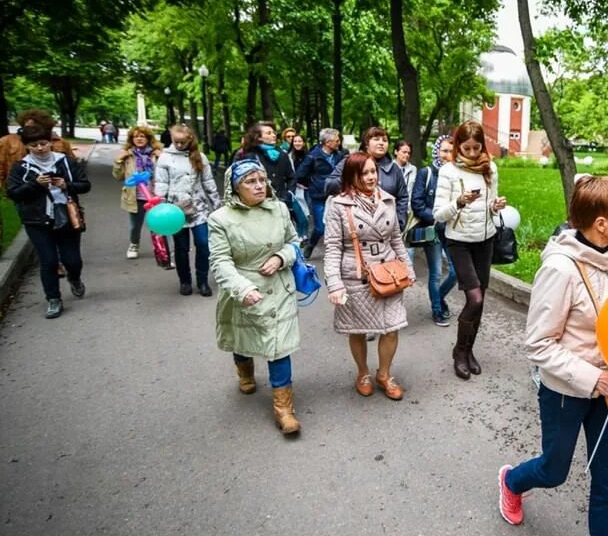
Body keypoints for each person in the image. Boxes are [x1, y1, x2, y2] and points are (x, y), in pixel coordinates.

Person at [497, 175, 608, 536]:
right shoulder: (559, 269)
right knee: (555, 471)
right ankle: (511, 481)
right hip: (564, 392)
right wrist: (594, 377)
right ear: (600, 223)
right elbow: (537, 344)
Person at [208, 159, 303, 435]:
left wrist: (280, 257)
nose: (259, 186)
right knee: (243, 338)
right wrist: (242, 288)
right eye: (250, 182)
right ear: (236, 188)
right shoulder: (220, 219)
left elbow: (294, 242)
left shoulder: (280, 209)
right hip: (244, 288)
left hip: (279, 286)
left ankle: (284, 409)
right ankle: (245, 371)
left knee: (279, 345)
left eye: (262, 180)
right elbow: (221, 260)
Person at [323, 152, 415, 401]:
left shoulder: (388, 200)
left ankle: (384, 374)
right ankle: (363, 372)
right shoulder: (339, 206)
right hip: (357, 276)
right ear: (351, 176)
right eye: (364, 173)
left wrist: (408, 268)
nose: (371, 177)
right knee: (358, 330)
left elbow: (396, 238)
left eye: (373, 171)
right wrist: (334, 284)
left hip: (388, 273)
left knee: (392, 328)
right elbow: (332, 247)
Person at [433, 120, 507, 380]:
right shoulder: (448, 172)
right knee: (474, 298)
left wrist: (495, 205)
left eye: (477, 148)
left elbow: (490, 205)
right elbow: (438, 215)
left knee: (480, 301)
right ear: (458, 146)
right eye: (467, 148)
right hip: (459, 242)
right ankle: (459, 352)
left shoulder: (490, 168)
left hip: (485, 240)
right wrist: (459, 202)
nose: (473, 153)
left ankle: (469, 350)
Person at [5, 125, 91, 319]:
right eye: (34, 145)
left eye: (43, 143)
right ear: (27, 146)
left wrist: (66, 185)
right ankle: (53, 298)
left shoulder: (66, 162)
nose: (40, 148)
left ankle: (74, 278)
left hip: (67, 217)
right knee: (49, 260)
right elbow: (13, 193)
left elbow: (85, 185)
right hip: (37, 221)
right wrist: (35, 185)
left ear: (50, 142)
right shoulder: (21, 167)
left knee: (72, 260)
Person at [154, 125, 222, 296]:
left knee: (203, 244)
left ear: (190, 140)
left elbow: (208, 182)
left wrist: (218, 206)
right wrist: (160, 206)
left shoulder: (200, 157)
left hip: (199, 208)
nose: (178, 145)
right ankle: (185, 281)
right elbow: (161, 184)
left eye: (182, 142)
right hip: (175, 211)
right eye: (176, 141)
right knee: (181, 247)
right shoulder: (165, 158)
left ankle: (203, 281)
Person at [410, 134, 457, 326]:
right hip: (433, 230)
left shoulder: (457, 174)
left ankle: (438, 297)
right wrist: (437, 217)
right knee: (436, 273)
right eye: (444, 150)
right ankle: (437, 310)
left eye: (451, 151)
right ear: (437, 150)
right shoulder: (426, 173)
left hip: (453, 231)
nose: (447, 155)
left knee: (456, 273)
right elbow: (417, 203)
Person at [325, 126, 408, 231]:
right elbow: (329, 185)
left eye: (385, 140)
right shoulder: (350, 161)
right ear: (366, 143)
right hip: (355, 228)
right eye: (376, 139)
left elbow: (403, 197)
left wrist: (400, 223)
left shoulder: (394, 169)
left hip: (386, 229)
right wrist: (352, 176)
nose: (381, 143)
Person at [112, 126, 162, 260]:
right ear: (131, 139)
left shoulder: (156, 154)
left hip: (155, 195)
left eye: (142, 136)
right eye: (136, 136)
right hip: (136, 196)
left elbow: (166, 173)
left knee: (157, 224)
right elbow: (118, 176)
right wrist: (118, 161)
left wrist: (162, 157)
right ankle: (134, 245)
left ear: (148, 139)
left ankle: (160, 248)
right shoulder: (128, 155)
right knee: (135, 226)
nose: (139, 139)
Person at [296, 128, 344, 258]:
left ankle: (336, 253)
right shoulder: (313, 156)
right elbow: (300, 174)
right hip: (318, 196)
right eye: (336, 140)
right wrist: (313, 184)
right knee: (320, 228)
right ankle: (311, 245)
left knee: (340, 225)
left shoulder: (340, 155)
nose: (339, 142)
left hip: (336, 195)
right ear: (327, 142)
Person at [0, 109, 76, 187]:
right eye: (28, 128)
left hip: (55, 191)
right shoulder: (6, 142)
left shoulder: (61, 142)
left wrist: (69, 191)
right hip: (16, 190)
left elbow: (72, 171)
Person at [233, 122, 296, 208]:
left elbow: (291, 177)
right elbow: (241, 181)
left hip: (281, 203)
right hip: (259, 204)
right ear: (258, 137)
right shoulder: (250, 155)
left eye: (274, 133)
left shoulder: (282, 154)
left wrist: (289, 194)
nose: (273, 135)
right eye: (269, 133)